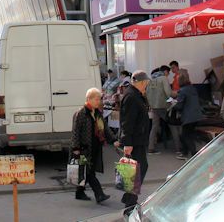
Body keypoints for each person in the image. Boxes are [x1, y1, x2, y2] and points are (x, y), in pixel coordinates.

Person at [71, 88, 116, 204]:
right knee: (89, 172)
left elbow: (105, 128)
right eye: (96, 99)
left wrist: (114, 140)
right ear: (89, 99)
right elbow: (75, 131)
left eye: (99, 99)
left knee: (86, 171)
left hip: (95, 147)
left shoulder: (97, 113)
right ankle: (99, 194)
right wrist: (75, 148)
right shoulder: (81, 113)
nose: (98, 102)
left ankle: (79, 192)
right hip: (83, 149)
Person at [119, 70, 151, 208]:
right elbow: (127, 122)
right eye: (146, 83)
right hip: (134, 141)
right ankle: (130, 201)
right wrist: (127, 143)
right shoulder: (131, 96)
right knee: (138, 168)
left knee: (137, 168)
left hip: (138, 139)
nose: (146, 85)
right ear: (141, 82)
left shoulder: (136, 94)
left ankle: (129, 198)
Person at [174, 73, 203, 160]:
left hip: (188, 117)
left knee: (185, 135)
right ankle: (184, 152)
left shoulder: (182, 91)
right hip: (197, 115)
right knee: (189, 134)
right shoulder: (193, 88)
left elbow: (179, 106)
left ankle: (194, 153)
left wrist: (173, 103)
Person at [146, 65, 172, 154]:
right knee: (173, 124)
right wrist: (174, 96)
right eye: (168, 73)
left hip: (153, 106)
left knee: (154, 126)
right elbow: (168, 93)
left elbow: (147, 94)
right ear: (165, 71)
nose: (168, 75)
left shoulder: (151, 80)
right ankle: (179, 148)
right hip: (163, 106)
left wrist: (151, 104)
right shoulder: (163, 79)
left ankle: (151, 147)